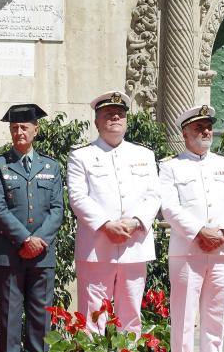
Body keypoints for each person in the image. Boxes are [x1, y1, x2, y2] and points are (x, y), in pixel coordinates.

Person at [160, 105, 224, 352]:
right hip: (187, 251)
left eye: (209, 126)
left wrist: (223, 233)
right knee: (183, 315)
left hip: (221, 251)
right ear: (185, 133)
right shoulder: (170, 166)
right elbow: (169, 206)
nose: (206, 131)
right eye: (199, 127)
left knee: (215, 315)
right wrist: (199, 231)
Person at [0, 104, 64, 352]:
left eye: (24, 127)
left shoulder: (51, 166)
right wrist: (24, 240)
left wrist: (39, 240)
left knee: (40, 317)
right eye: (14, 128)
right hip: (9, 253)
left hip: (42, 255)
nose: (19, 132)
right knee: (9, 314)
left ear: (36, 130)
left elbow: (58, 209)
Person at [67, 91, 160, 334]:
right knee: (92, 316)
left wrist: (136, 222)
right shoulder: (81, 156)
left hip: (134, 245)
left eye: (120, 114)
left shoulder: (144, 155)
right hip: (97, 247)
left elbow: (154, 194)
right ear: (97, 122)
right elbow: (77, 197)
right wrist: (106, 224)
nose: (115, 118)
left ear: (127, 121)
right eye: (108, 114)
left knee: (131, 316)